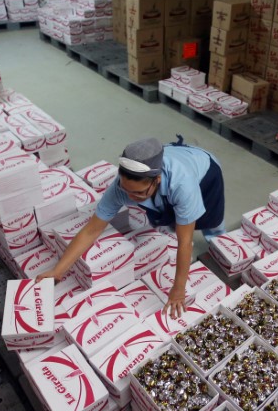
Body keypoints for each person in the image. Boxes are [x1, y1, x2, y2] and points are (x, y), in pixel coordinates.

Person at [37, 136, 226, 319]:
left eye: (138, 193)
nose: (131, 197)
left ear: (157, 180)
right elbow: (92, 230)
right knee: (166, 218)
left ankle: (219, 240)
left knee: (208, 219)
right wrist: (58, 270)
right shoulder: (122, 188)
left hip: (204, 171)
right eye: (126, 190)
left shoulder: (182, 184)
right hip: (169, 167)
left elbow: (185, 243)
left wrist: (178, 289)